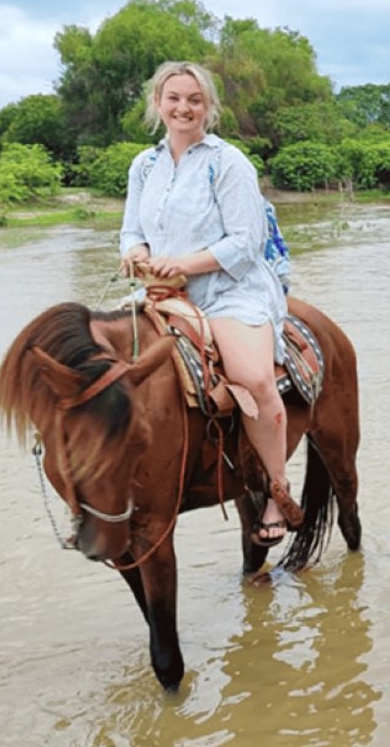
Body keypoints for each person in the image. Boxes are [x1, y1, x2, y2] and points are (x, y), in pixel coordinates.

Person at [119, 60, 300, 548]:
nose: (183, 108)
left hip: (227, 291)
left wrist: (179, 262)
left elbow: (244, 243)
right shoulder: (145, 165)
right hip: (162, 292)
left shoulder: (229, 162)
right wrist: (135, 253)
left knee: (257, 379)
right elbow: (132, 229)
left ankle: (276, 491)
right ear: (157, 104)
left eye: (194, 100)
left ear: (208, 108)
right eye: (174, 98)